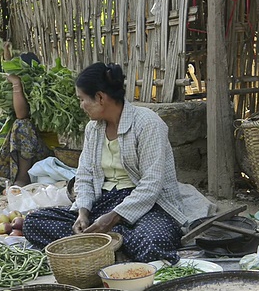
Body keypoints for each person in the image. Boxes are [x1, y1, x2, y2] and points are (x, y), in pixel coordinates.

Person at [23, 62, 186, 264]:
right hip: (105, 203)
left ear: (100, 97)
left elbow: (151, 185)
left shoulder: (147, 124)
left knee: (154, 241)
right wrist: (83, 212)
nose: (81, 105)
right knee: (33, 222)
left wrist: (113, 218)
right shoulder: (94, 129)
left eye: (82, 99)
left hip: (148, 206)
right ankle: (114, 244)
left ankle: (103, 244)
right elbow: (84, 176)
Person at [0, 42, 54, 186]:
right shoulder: (25, 85)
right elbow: (8, 72)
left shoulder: (42, 88)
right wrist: (6, 52)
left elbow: (22, 114)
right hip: (27, 152)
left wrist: (16, 83)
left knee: (22, 125)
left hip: (44, 151)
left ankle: (22, 177)